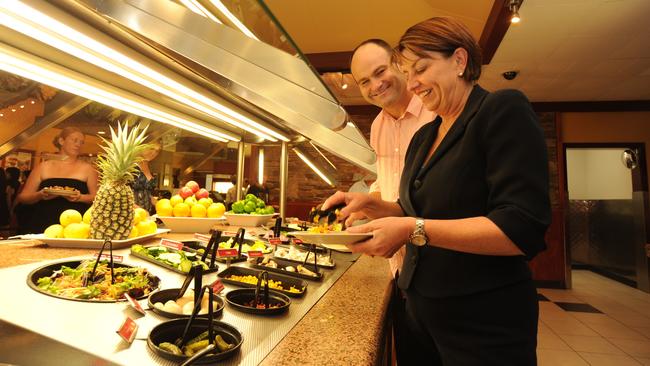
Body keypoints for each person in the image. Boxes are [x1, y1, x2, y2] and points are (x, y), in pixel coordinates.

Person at [323, 17, 550, 365]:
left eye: (421, 69)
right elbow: (410, 208)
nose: (412, 84)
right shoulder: (424, 137)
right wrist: (370, 204)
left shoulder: (500, 109)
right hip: (419, 313)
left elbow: (521, 228)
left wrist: (413, 230)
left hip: (482, 321)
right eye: (408, 73)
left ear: (459, 61)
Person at [351, 39, 436, 278]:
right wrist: (360, 207)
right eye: (364, 81)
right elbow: (387, 186)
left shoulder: (436, 111)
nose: (376, 85)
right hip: (398, 266)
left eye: (380, 72)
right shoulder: (378, 125)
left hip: (438, 261)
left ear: (399, 65)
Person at [17, 127, 98, 233]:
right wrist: (40, 195)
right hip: (43, 221)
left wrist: (80, 197)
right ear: (61, 141)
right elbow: (23, 197)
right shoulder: (43, 167)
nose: (78, 144)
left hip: (75, 225)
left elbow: (97, 198)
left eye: (81, 142)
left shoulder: (88, 169)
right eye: (74, 140)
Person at [131, 142, 161, 215]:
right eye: (151, 148)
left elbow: (146, 193)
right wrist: (139, 210)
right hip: (132, 214)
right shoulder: (131, 166)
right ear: (142, 146)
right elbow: (122, 195)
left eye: (157, 151)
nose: (154, 153)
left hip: (145, 214)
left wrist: (160, 205)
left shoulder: (147, 165)